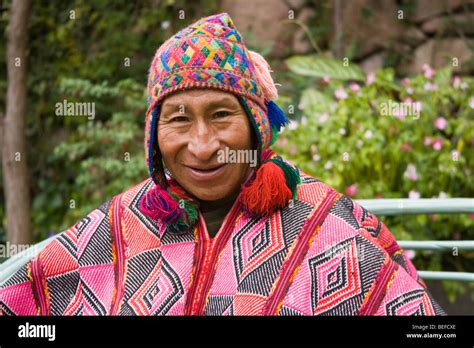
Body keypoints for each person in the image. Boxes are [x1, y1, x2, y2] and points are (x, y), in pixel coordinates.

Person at [0, 12, 445, 316]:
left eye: (221, 114)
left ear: (255, 124)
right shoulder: (114, 228)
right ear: (155, 136)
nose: (202, 144)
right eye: (178, 119)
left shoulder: (330, 222)